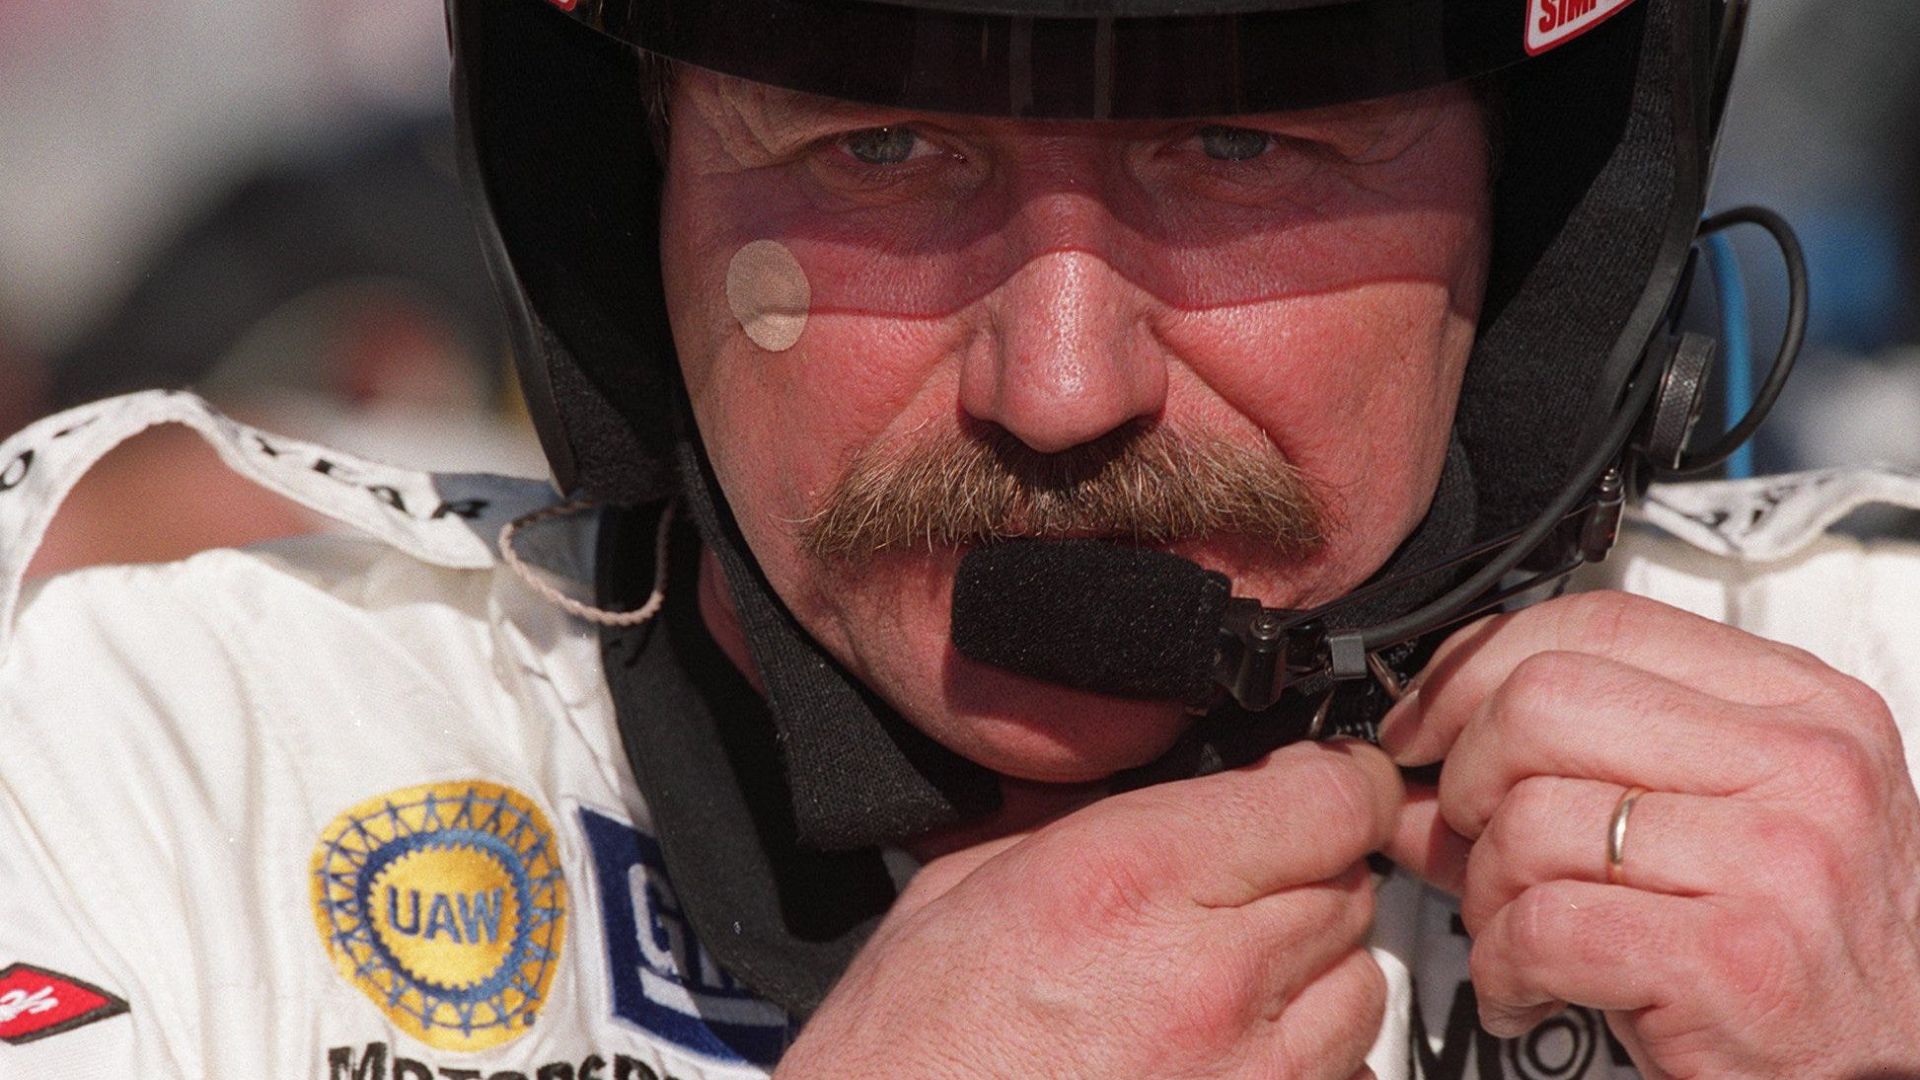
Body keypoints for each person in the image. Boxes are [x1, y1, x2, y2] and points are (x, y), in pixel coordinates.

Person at [3, 1, 1919, 1077]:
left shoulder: (1886, 729)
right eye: (879, 149)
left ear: (1541, 216)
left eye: (1241, 147)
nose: (1063, 387)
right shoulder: (149, 772)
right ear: (628, 188)